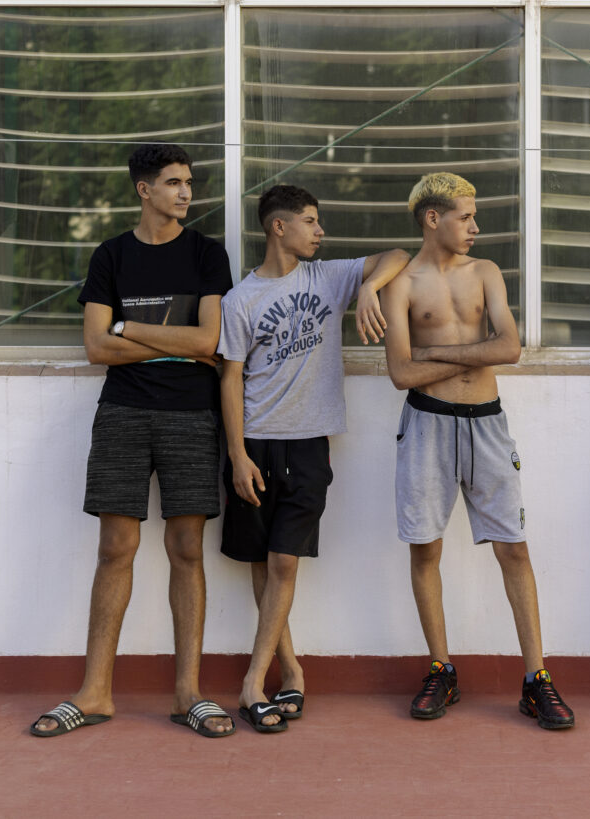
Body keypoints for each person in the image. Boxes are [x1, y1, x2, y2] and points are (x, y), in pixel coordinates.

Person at [31, 144, 235, 738]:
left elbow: (209, 344)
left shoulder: (205, 254)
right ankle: (95, 692)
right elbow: (97, 349)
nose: (186, 193)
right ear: (144, 190)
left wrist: (129, 327)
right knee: (115, 549)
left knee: (186, 550)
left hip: (191, 415)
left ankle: (187, 693)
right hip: (123, 412)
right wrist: (172, 339)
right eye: (173, 183)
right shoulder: (112, 255)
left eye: (189, 183)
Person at [380, 172, 574, 731]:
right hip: (426, 424)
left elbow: (509, 346)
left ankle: (537, 679)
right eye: (465, 216)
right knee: (425, 548)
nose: (475, 226)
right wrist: (476, 353)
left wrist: (437, 358)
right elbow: (399, 373)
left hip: (487, 425)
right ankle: (442, 668)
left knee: (513, 548)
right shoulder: (401, 284)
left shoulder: (485, 273)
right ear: (432, 219)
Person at [218, 184, 409, 733]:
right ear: (279, 227)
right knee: (262, 561)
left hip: (308, 444)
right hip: (255, 441)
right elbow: (231, 378)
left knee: (284, 561)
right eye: (309, 220)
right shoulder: (240, 300)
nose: (319, 230)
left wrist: (370, 286)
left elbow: (400, 255)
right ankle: (291, 669)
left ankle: (253, 683)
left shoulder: (329, 277)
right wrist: (236, 455)